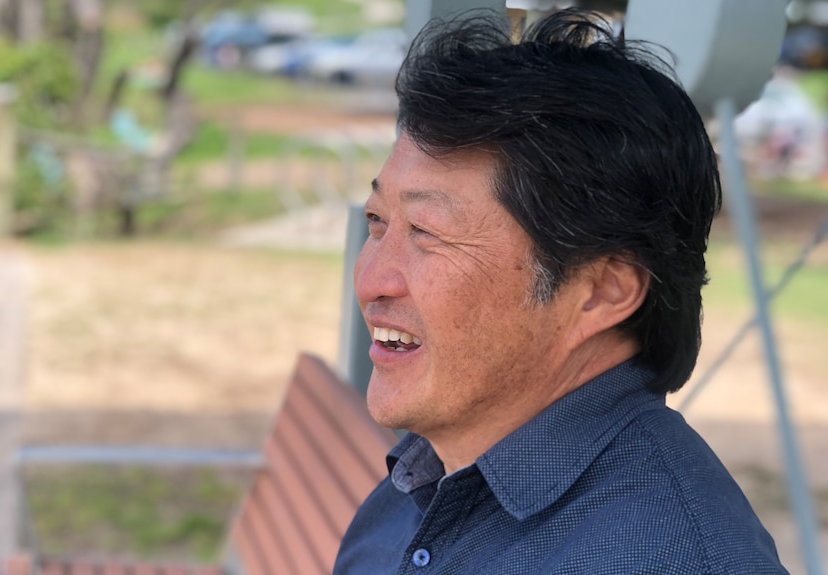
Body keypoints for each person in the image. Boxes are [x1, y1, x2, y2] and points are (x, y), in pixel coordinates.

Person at [333, 8, 788, 575]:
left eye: (427, 234)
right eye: (377, 221)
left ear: (601, 292)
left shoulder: (671, 559)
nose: (372, 280)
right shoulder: (420, 483)